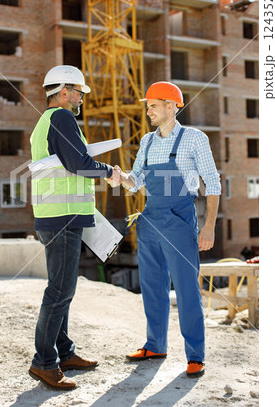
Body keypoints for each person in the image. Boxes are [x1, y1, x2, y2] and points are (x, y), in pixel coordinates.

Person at [107, 81, 221, 378]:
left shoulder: (194, 138)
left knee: (186, 290)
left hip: (180, 221)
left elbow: (214, 182)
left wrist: (208, 226)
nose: (148, 112)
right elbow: (138, 181)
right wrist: (121, 179)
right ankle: (155, 344)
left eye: (153, 106)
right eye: (148, 107)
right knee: (152, 288)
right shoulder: (146, 141)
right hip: (150, 220)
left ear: (172, 106)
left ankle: (195, 355)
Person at [29, 65, 119, 390]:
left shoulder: (45, 123)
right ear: (64, 91)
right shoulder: (62, 117)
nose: (81, 97)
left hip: (58, 216)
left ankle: (63, 352)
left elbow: (70, 161)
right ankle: (43, 363)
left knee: (63, 290)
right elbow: (78, 163)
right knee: (60, 291)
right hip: (62, 218)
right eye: (79, 92)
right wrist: (109, 171)